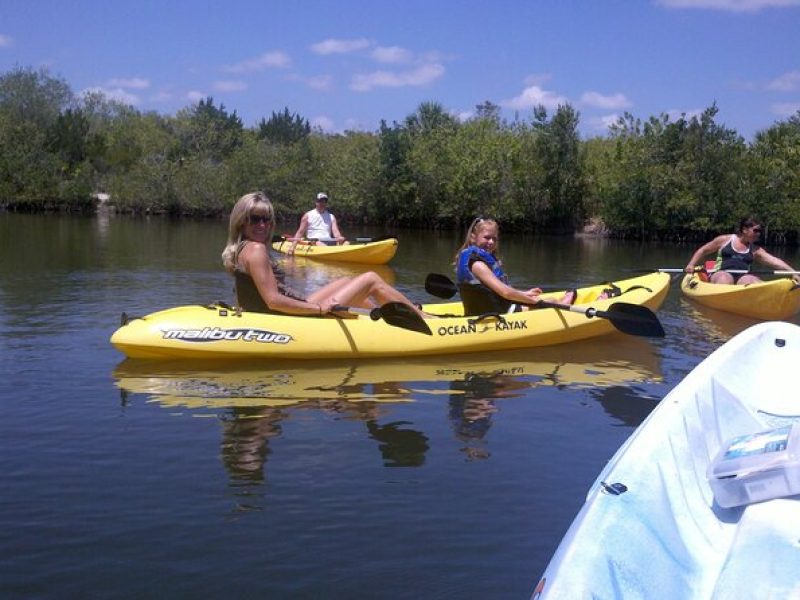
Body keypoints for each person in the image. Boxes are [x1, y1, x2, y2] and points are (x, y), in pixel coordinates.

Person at [221, 191, 426, 317]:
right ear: (241, 220)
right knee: (371, 279)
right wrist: (319, 309)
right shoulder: (256, 250)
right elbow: (273, 300)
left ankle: (378, 317)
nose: (262, 224)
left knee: (346, 281)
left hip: (290, 309)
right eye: (255, 219)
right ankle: (427, 322)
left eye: (266, 219)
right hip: (286, 317)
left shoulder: (243, 248)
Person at [454, 217, 576, 315]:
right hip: (498, 315)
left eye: (494, 239)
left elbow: (498, 290)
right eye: (487, 237)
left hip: (489, 311)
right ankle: (565, 305)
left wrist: (523, 294)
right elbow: (505, 293)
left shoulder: (474, 260)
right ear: (473, 237)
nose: (491, 242)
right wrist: (534, 301)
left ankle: (562, 303)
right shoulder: (478, 265)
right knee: (551, 301)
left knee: (545, 300)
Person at [684, 217, 800, 284]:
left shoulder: (755, 250)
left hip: (742, 277)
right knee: (724, 278)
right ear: (744, 230)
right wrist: (691, 264)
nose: (759, 233)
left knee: (751, 280)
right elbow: (703, 250)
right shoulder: (725, 240)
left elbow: (775, 261)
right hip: (721, 273)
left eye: (760, 231)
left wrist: (793, 272)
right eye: (756, 230)